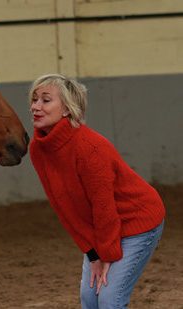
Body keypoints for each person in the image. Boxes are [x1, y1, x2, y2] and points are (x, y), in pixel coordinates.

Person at [28, 73, 165, 309]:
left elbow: (104, 206)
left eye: (45, 100)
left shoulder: (90, 147)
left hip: (138, 222)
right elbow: (64, 207)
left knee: (110, 299)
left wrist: (107, 256)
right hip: (103, 228)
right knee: (90, 299)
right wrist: (93, 254)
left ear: (67, 109)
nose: (36, 106)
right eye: (34, 99)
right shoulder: (39, 149)